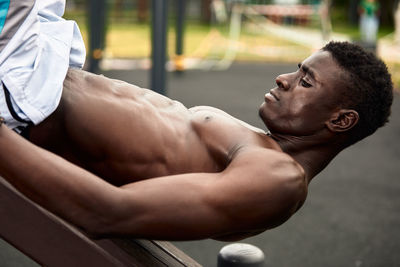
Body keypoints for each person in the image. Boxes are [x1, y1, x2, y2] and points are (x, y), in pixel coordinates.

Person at [0, 1, 393, 241]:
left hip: (24, 94)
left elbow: (109, 211)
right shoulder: (261, 146)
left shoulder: (279, 179)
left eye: (305, 81)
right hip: (39, 63)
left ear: (341, 120)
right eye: (296, 70)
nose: (283, 79)